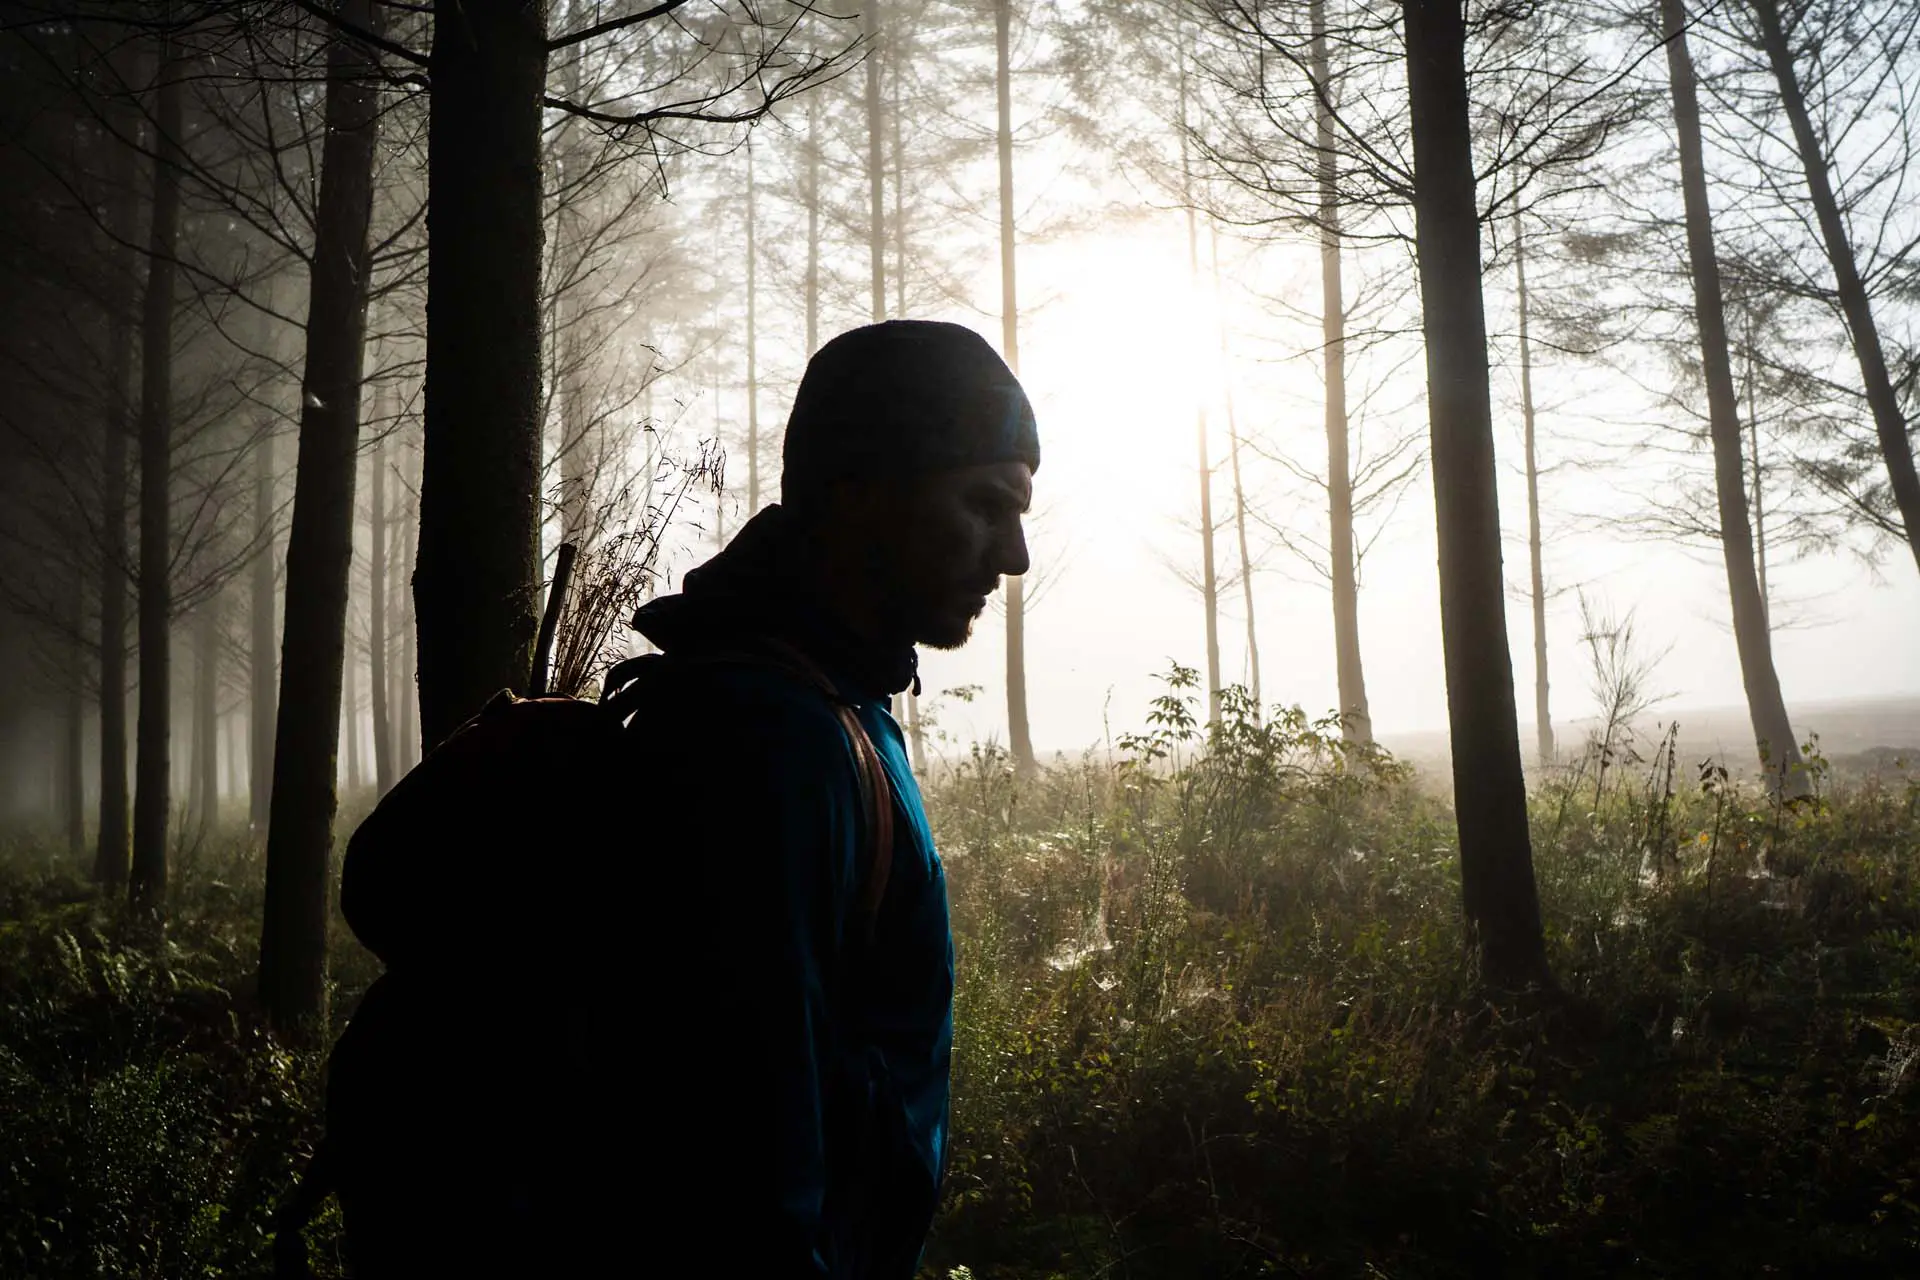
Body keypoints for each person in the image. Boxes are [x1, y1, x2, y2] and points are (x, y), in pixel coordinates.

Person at [620, 319, 1037, 1278]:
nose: (1012, 557)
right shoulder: (770, 745)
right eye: (982, 505)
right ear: (855, 493)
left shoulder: (826, 705)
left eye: (1019, 514)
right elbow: (743, 1175)